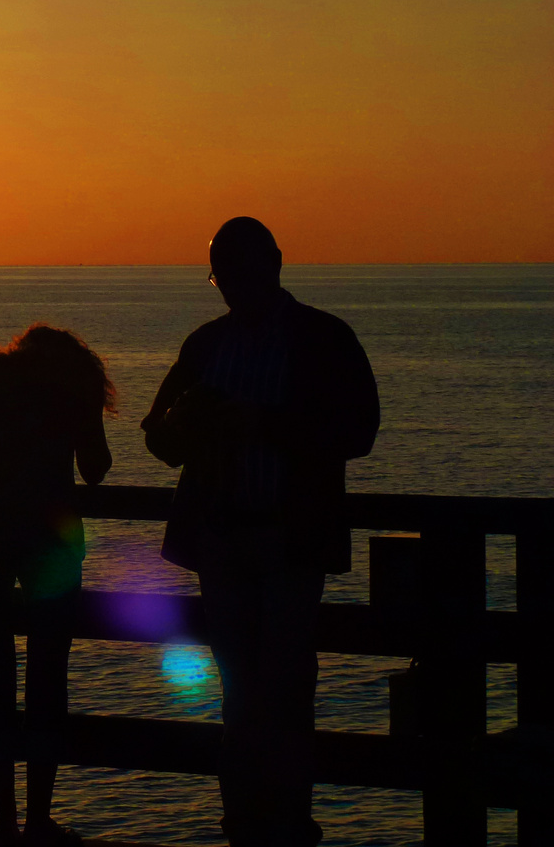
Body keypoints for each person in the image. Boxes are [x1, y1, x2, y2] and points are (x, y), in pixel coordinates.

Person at [141, 217, 379, 847]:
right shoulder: (207, 345)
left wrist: (261, 424)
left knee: (283, 690)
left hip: (288, 542)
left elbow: (360, 432)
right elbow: (156, 436)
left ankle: (286, 826)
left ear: (275, 263)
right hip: (225, 543)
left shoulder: (325, 338)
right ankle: (248, 825)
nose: (231, 285)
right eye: (223, 273)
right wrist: (187, 423)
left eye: (240, 270)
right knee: (243, 693)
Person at [0, 325, 115, 847]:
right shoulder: (73, 385)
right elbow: (94, 469)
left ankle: (3, 822)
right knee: (48, 670)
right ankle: (39, 819)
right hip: (50, 534)